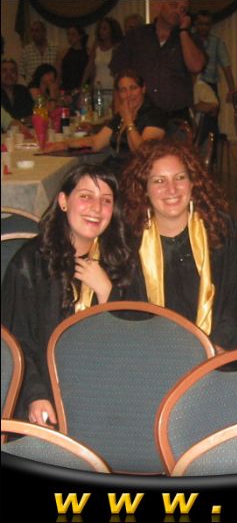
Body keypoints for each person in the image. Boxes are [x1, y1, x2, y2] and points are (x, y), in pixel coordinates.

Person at [1, 164, 134, 428]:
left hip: (107, 392)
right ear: (63, 201)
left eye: (106, 200)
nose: (96, 208)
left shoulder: (120, 259)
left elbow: (136, 341)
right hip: (45, 390)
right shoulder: (31, 262)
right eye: (85, 196)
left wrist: (108, 293)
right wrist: (35, 395)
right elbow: (17, 338)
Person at [120, 139, 237, 350]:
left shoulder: (220, 231)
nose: (171, 189)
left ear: (192, 182)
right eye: (159, 181)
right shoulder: (129, 242)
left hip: (218, 350)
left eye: (180, 177)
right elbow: (130, 315)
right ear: (144, 189)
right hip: (152, 353)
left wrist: (217, 346)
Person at [44, 70, 166, 173]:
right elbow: (96, 142)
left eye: (133, 88)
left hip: (137, 174)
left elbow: (142, 153)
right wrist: (64, 144)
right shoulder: (122, 114)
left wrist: (129, 121)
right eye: (123, 90)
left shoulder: (154, 115)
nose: (128, 94)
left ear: (143, 89)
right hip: (115, 168)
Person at [110, 0, 205, 122]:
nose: (177, 11)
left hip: (176, 118)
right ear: (161, 4)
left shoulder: (190, 39)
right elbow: (119, 74)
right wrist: (119, 112)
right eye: (174, 5)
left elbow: (196, 67)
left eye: (183, 10)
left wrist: (184, 31)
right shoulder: (136, 36)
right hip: (140, 117)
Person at [192, 10, 235, 103]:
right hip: (191, 85)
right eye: (201, 24)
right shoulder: (188, 39)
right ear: (195, 23)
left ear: (211, 25)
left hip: (210, 84)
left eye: (207, 24)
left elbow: (226, 67)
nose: (203, 27)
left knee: (212, 108)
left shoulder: (217, 42)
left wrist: (232, 90)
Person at [83, 17, 124, 112]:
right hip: (98, 87)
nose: (101, 31)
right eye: (100, 28)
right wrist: (83, 85)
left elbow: (118, 70)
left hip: (112, 86)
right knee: (98, 114)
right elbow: (89, 66)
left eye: (105, 28)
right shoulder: (96, 45)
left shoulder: (118, 46)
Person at [58, 26, 89, 95]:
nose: (70, 37)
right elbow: (58, 73)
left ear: (80, 36)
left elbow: (91, 73)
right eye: (68, 34)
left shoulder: (88, 53)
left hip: (83, 90)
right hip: (66, 90)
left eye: (73, 34)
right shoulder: (63, 53)